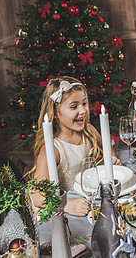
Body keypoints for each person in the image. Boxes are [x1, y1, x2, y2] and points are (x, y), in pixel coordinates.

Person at [30, 76, 121, 217]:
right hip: (65, 211)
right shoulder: (52, 149)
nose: (83, 110)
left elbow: (106, 146)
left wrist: (112, 158)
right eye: (74, 106)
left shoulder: (88, 130)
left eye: (84, 103)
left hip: (89, 201)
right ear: (55, 113)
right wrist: (65, 205)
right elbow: (36, 195)